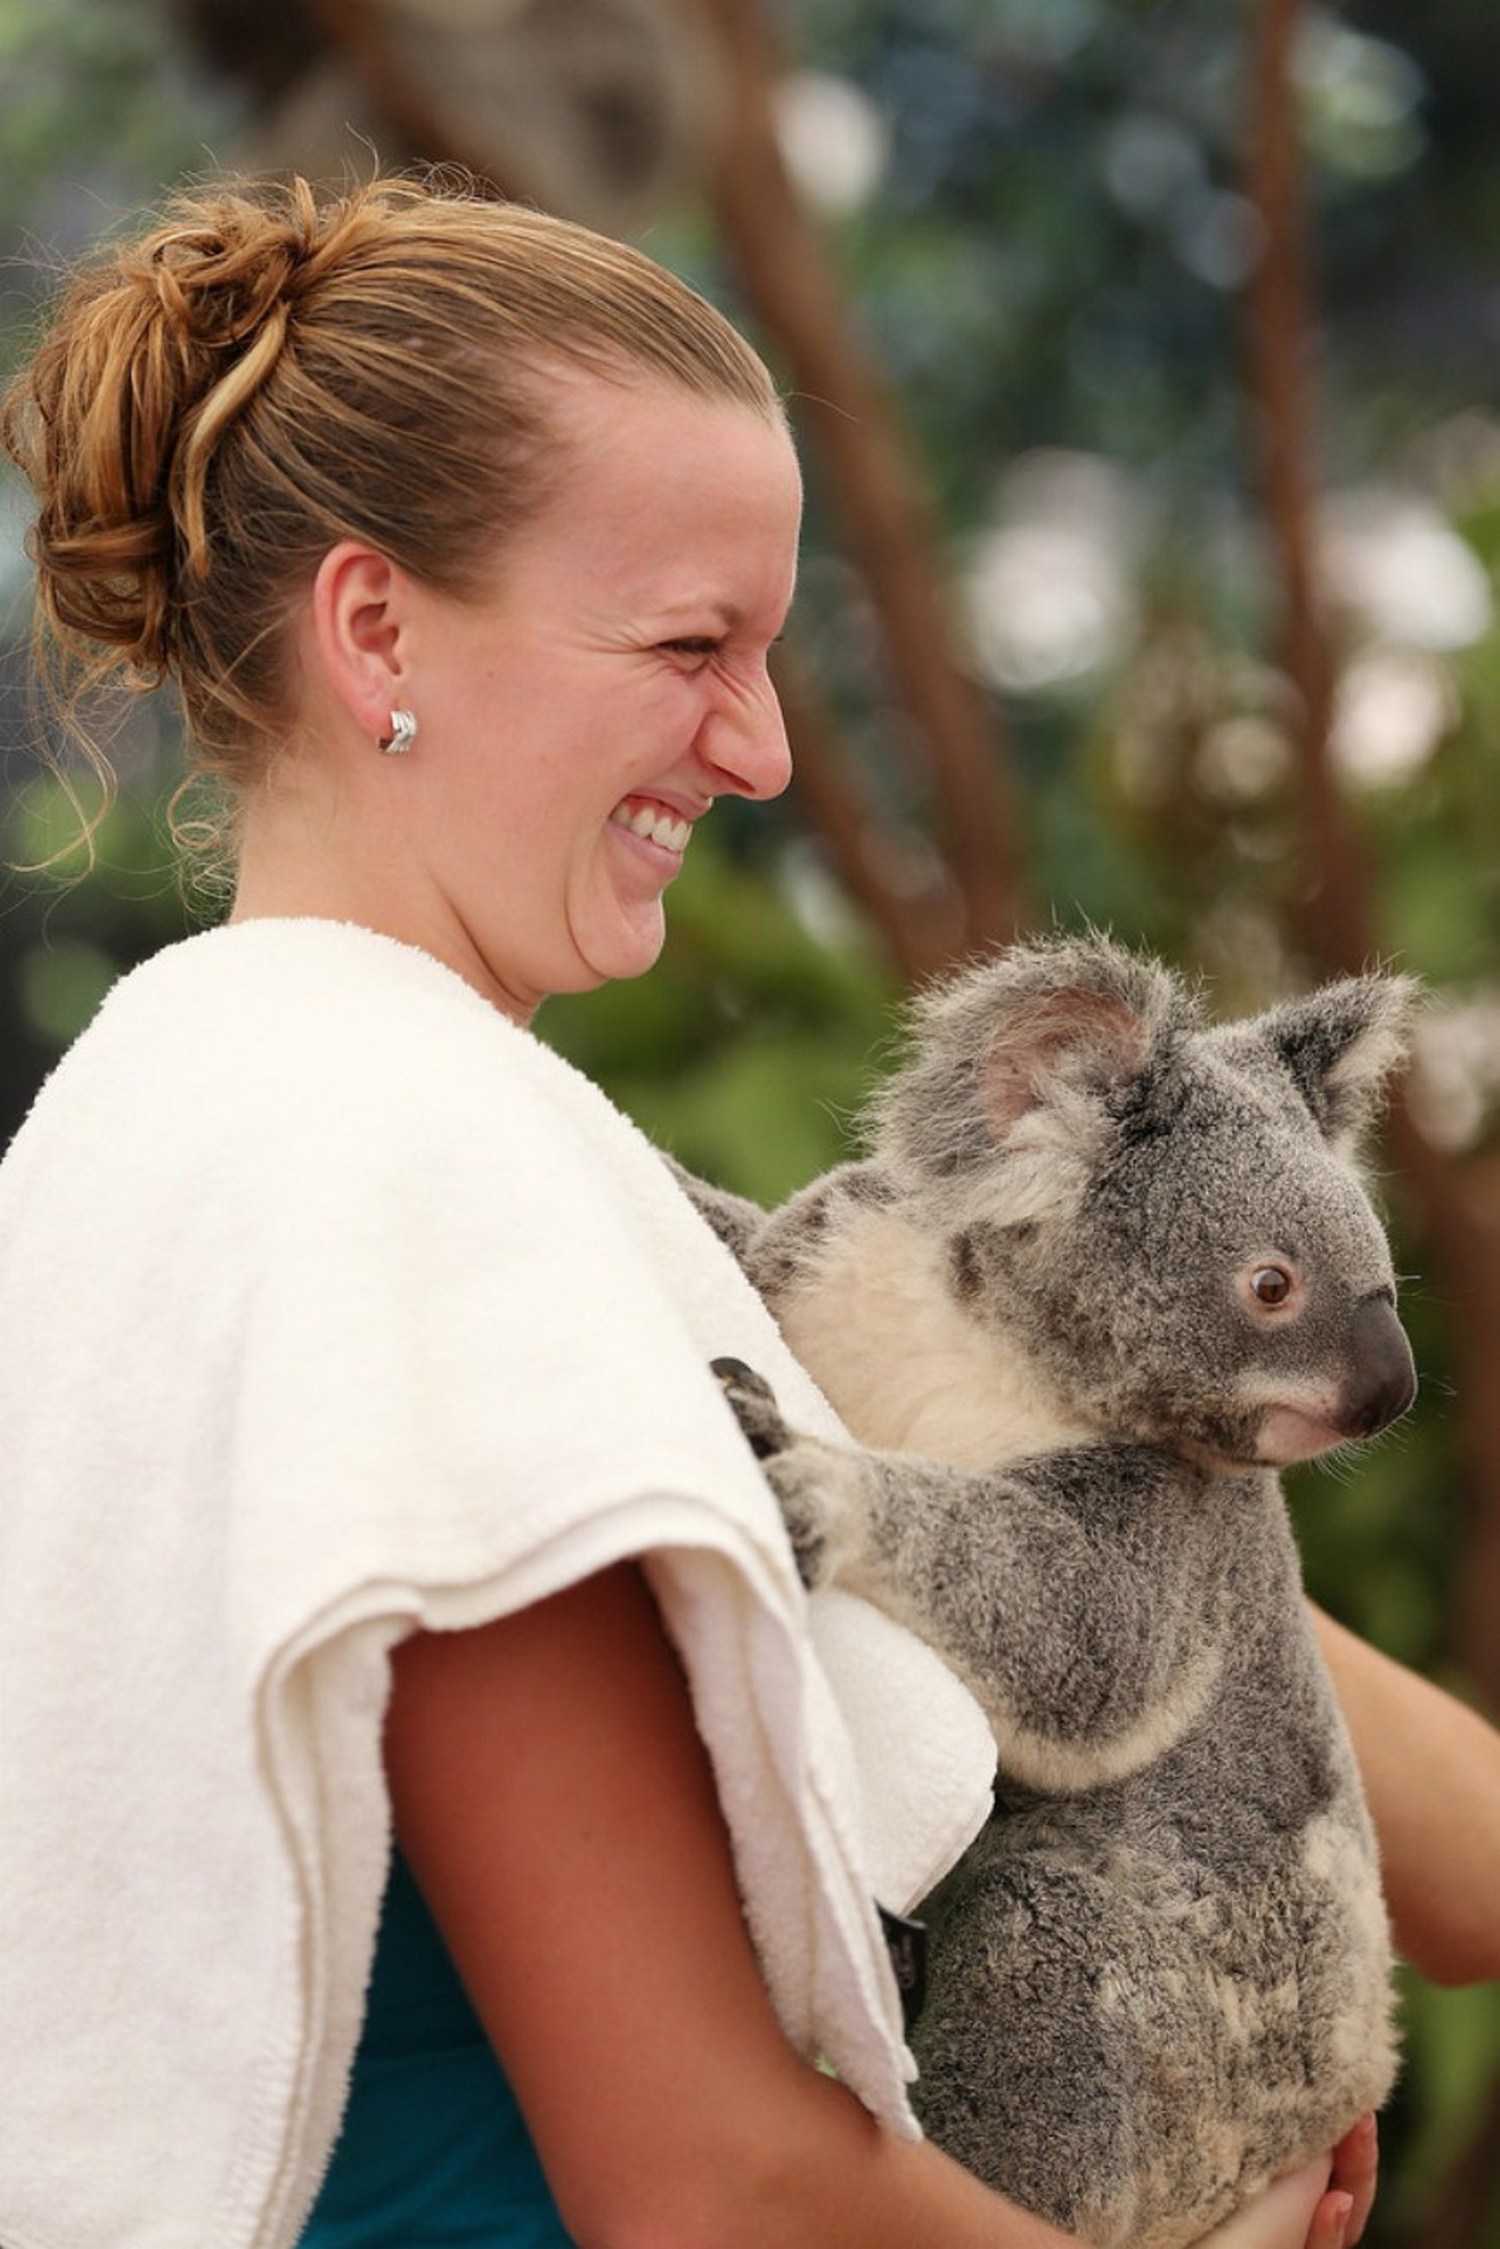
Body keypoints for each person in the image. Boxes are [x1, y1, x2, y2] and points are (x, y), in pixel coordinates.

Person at [0, 169, 1491, 2249]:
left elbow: (1285, 1715)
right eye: (689, 644)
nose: (767, 749)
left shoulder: (368, 1142)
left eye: (772, 651)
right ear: (375, 628)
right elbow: (709, 2183)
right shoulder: (385, 1174)